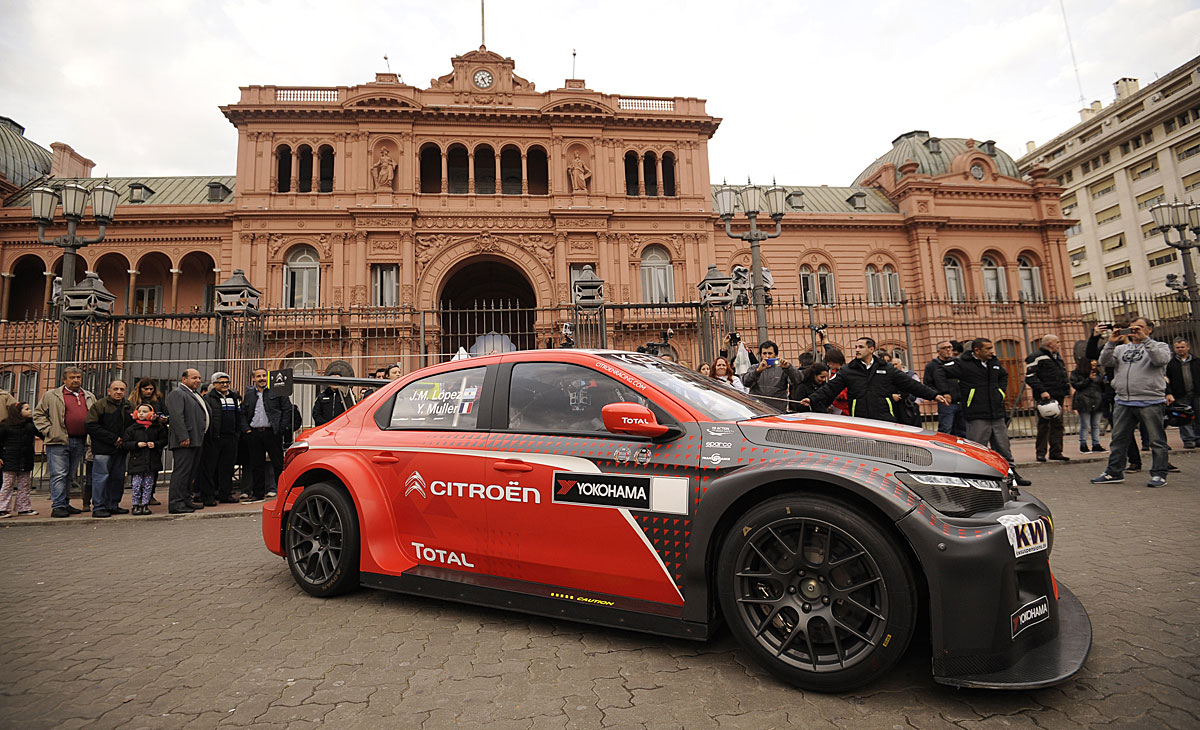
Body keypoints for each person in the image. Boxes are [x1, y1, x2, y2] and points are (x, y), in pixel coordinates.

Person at [1091, 318, 1172, 487]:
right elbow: (1104, 362)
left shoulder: (1160, 346)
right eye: (1133, 328)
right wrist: (1110, 343)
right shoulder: (1121, 348)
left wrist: (1146, 340)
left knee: (1156, 440)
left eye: (1140, 327)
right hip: (1124, 400)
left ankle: (1159, 474)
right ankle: (1113, 472)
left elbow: (1160, 360)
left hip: (1150, 400)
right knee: (1119, 439)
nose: (1135, 330)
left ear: (1150, 330)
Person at [941, 338, 1031, 486]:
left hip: (996, 412)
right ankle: (975, 476)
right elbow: (940, 372)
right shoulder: (963, 363)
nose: (991, 351)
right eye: (988, 349)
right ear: (977, 350)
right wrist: (947, 392)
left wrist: (1000, 392)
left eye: (991, 348)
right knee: (977, 447)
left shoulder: (994, 362)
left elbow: (1004, 375)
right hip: (977, 413)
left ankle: (1011, 474)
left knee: (1003, 446)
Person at [800, 337, 950, 422]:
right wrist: (812, 399)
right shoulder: (848, 370)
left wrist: (934, 395)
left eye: (860, 347)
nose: (857, 350)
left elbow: (911, 384)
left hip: (884, 417)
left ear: (871, 350)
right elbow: (830, 388)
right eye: (856, 347)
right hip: (859, 417)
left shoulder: (886, 369)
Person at [33, 367, 96, 518]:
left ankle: (65, 503)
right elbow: (38, 415)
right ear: (64, 379)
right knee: (59, 474)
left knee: (69, 475)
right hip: (58, 441)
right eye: (72, 377)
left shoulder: (88, 396)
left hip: (80, 440)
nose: (75, 380)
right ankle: (58, 505)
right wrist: (49, 430)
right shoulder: (52, 395)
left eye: (78, 377)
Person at [242, 367, 292, 503]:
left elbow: (287, 409)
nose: (262, 378)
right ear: (254, 379)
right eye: (258, 376)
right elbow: (243, 413)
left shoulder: (277, 391)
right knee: (256, 465)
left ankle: (282, 491)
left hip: (272, 432)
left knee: (278, 464)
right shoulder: (249, 394)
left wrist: (281, 428)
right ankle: (258, 493)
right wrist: (246, 429)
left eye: (264, 375)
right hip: (254, 433)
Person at [85, 380, 133, 518]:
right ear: (109, 391)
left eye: (122, 389)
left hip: (121, 449)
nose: (119, 392)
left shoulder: (129, 406)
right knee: (101, 478)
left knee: (118, 478)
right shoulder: (99, 406)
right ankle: (99, 507)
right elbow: (90, 426)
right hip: (102, 449)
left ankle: (113, 504)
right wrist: (113, 438)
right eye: (116, 389)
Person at [198, 372, 246, 506]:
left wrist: (237, 433)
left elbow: (238, 415)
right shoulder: (208, 398)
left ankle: (225, 494)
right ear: (214, 384)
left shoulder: (233, 397)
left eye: (227, 382)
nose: (225, 385)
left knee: (227, 468)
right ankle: (208, 496)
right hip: (214, 438)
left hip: (230, 438)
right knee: (209, 468)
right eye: (221, 382)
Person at [166, 369, 208, 514]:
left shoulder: (194, 394)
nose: (197, 380)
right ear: (184, 379)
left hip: (196, 439)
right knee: (182, 472)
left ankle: (186, 500)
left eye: (199, 377)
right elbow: (177, 417)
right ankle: (176, 503)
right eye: (194, 377)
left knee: (190, 473)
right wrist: (183, 436)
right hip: (185, 441)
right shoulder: (178, 393)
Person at [1025, 334, 1071, 463]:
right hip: (1045, 396)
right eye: (1057, 342)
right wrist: (1042, 391)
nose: (1059, 344)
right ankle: (1041, 453)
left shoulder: (1056, 357)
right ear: (1050, 344)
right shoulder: (1036, 357)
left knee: (1058, 424)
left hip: (1058, 394)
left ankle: (1056, 452)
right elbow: (1030, 377)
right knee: (1044, 425)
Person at [129, 378, 168, 506]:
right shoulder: (133, 401)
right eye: (146, 389)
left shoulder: (158, 400)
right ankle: (138, 496)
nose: (149, 391)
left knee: (153, 468)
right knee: (138, 470)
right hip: (139, 436)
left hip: (154, 434)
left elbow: (167, 415)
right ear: (140, 389)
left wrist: (162, 419)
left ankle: (150, 494)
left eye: (151, 389)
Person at [123, 403, 166, 515]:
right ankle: (135, 504)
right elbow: (126, 443)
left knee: (148, 484)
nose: (142, 413)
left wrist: (155, 444)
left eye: (145, 411)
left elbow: (163, 440)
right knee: (136, 484)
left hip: (151, 461)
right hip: (137, 461)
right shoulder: (132, 429)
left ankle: (145, 504)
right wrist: (136, 444)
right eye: (140, 411)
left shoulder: (157, 428)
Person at [0, 401, 42, 517]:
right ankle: (2, 508)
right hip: (10, 458)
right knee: (8, 484)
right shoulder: (5, 426)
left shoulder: (30, 425)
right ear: (18, 412)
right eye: (26, 409)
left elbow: (41, 434)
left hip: (26, 458)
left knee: (24, 484)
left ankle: (23, 507)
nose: (30, 411)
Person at [741, 340, 801, 411]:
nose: (767, 356)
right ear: (760, 355)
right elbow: (746, 382)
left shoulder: (783, 368)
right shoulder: (754, 368)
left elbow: (796, 381)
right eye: (764, 353)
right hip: (756, 408)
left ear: (775, 355)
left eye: (770, 353)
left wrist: (789, 368)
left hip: (777, 409)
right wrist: (757, 371)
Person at [925, 340, 965, 437]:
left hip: (962, 401)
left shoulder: (958, 363)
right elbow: (928, 384)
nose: (948, 350)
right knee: (945, 430)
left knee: (963, 431)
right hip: (946, 403)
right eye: (944, 348)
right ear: (938, 351)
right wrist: (940, 395)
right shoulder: (932, 366)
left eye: (949, 347)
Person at [1166, 337, 1200, 449]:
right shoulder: (1170, 364)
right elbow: (1167, 380)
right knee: (1183, 418)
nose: (1180, 349)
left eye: (1182, 347)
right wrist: (1169, 393)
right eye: (1177, 347)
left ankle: (1198, 438)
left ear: (1188, 347)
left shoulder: (1197, 361)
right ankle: (1188, 439)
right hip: (1180, 394)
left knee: (1198, 416)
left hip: (1196, 393)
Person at [1070, 359, 1106, 453]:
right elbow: (1076, 385)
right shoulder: (1076, 373)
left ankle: (1096, 444)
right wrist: (1088, 380)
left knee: (1096, 424)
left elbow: (1102, 385)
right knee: (1085, 424)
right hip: (1084, 400)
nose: (1094, 367)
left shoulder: (1098, 373)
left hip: (1097, 400)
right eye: (1092, 365)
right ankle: (1083, 444)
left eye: (1095, 365)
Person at [822, 347, 850, 416]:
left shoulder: (848, 372)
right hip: (836, 407)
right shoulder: (833, 372)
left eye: (829, 362)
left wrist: (840, 396)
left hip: (845, 408)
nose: (828, 364)